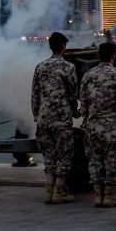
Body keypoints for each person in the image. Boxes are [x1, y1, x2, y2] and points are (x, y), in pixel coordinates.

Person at [79, 42, 116, 207]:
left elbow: (83, 102)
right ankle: (109, 197)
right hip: (112, 129)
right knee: (112, 161)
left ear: (98, 55)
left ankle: (97, 196)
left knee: (95, 161)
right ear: (113, 56)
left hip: (92, 128)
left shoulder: (88, 75)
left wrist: (87, 120)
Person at [31, 31, 79, 204]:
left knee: (49, 157)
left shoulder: (40, 67)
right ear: (64, 47)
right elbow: (73, 94)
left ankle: (49, 191)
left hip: (43, 119)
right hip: (61, 120)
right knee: (64, 155)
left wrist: (36, 115)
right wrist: (75, 111)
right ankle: (59, 192)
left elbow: (35, 94)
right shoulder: (69, 67)